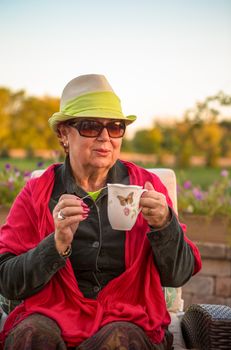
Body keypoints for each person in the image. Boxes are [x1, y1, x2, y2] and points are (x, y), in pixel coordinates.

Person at [0, 74, 201, 350]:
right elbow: (7, 281)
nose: (105, 137)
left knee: (121, 339)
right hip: (52, 314)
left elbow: (178, 275)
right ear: (63, 134)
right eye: (90, 126)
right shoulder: (37, 193)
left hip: (127, 317)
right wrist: (54, 245)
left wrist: (164, 225)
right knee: (32, 336)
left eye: (116, 127)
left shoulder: (146, 187)